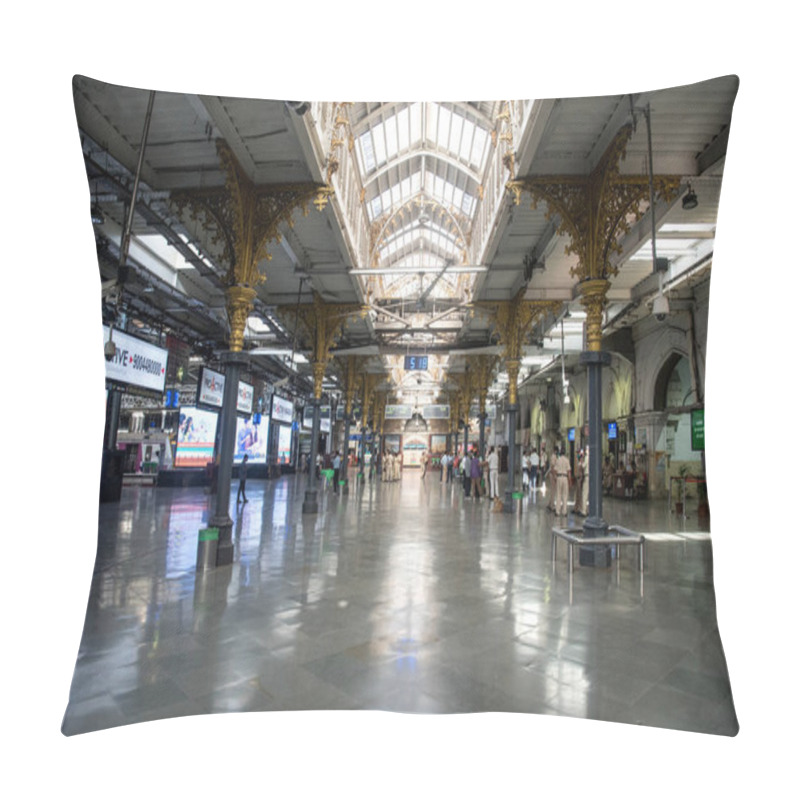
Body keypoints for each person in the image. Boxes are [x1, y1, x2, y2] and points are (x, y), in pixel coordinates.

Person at [554, 449, 571, 516]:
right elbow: (569, 471)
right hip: (565, 478)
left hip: (559, 477)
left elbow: (555, 470)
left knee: (558, 494)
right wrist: (570, 481)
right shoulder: (567, 460)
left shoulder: (558, 460)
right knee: (565, 495)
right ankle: (564, 511)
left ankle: (557, 511)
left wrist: (556, 478)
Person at [573, 450, 585, 516]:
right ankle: (576, 508)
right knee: (577, 495)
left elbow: (582, 471)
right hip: (577, 479)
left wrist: (581, 478)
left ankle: (580, 508)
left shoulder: (582, 464)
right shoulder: (578, 463)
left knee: (580, 495)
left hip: (580, 479)